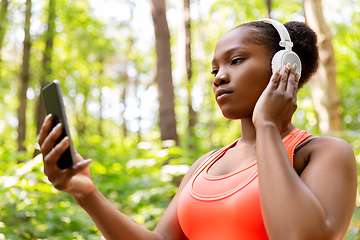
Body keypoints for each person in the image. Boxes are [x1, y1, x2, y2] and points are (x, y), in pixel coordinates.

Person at [38, 19, 357, 240]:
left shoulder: (323, 154)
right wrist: (86, 193)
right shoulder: (203, 167)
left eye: (236, 60)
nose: (218, 77)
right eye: (215, 69)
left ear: (283, 66)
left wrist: (269, 126)